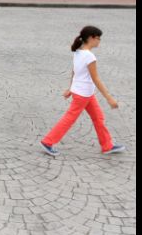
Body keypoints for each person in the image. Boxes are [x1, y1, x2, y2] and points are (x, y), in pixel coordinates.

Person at [40, 26, 126, 156]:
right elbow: (96, 79)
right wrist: (109, 98)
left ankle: (107, 146)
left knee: (98, 117)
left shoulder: (78, 52)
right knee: (69, 118)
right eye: (98, 38)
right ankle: (48, 141)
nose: (99, 41)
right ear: (91, 38)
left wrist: (70, 88)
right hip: (83, 95)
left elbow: (75, 71)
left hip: (85, 93)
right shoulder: (89, 57)